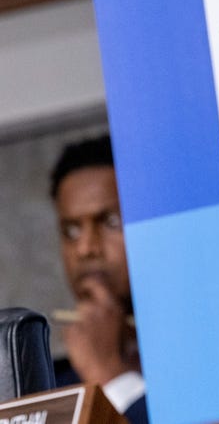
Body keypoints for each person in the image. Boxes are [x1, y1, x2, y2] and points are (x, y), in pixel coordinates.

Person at [50, 135, 148, 424]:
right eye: (71, 231)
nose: (86, 248)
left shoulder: (204, 354)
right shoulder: (48, 391)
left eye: (110, 222)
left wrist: (109, 374)